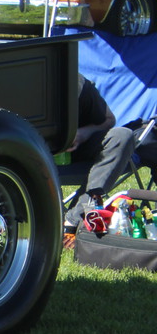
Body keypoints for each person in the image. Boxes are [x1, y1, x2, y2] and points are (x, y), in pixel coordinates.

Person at [64, 76, 139, 243]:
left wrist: (84, 133)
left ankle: (73, 220)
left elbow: (109, 120)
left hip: (74, 149)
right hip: (30, 152)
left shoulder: (76, 84)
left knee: (122, 136)